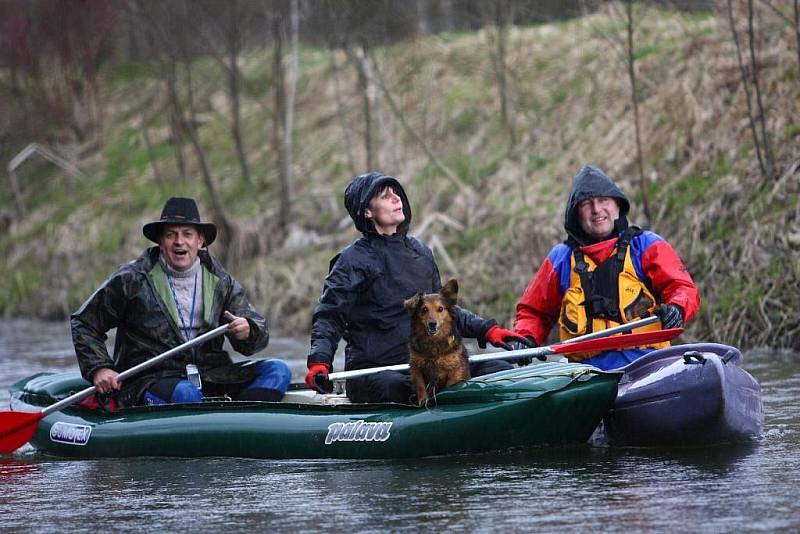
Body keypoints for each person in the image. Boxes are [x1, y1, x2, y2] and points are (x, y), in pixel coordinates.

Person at [305, 172, 533, 404]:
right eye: (385, 196)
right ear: (367, 211)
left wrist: (488, 330)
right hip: (376, 371)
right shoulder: (350, 261)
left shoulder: (421, 253)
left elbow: (444, 312)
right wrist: (319, 362)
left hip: (431, 363)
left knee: (500, 368)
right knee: (402, 387)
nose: (396, 199)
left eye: (396, 194)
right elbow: (329, 317)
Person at [71, 197, 291, 407]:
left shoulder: (221, 282)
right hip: (150, 379)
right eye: (171, 235)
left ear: (200, 240)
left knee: (278, 370)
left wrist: (247, 330)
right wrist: (100, 368)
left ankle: (243, 428)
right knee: (186, 393)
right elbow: (84, 323)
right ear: (160, 240)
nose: (179, 242)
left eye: (187, 234)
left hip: (212, 375)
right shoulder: (131, 279)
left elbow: (257, 335)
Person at [513, 165, 701, 370]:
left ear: (617, 206)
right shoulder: (561, 259)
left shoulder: (646, 245)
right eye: (587, 204)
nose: (596, 210)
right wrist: (524, 338)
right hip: (587, 375)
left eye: (603, 200)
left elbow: (682, 288)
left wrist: (678, 308)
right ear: (576, 214)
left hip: (648, 366)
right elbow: (533, 312)